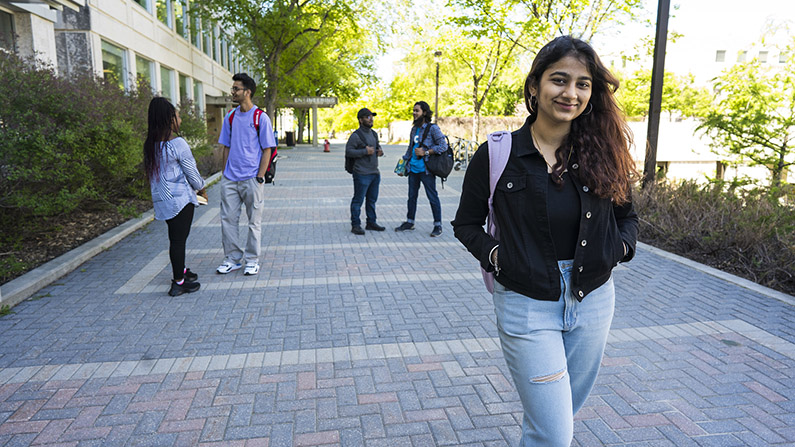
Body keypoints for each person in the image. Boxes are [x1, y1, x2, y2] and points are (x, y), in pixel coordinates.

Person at [452, 36, 639, 446]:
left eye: (583, 84)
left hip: (594, 299)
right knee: (554, 433)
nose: (570, 93)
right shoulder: (499, 154)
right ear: (534, 86)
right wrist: (499, 256)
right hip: (526, 300)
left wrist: (619, 250)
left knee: (554, 419)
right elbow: (466, 224)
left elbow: (627, 215)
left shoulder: (603, 151)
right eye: (559, 80)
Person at [143, 97, 206, 296]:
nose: (180, 119)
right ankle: (178, 282)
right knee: (178, 241)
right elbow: (192, 173)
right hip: (180, 200)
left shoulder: (151, 145)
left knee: (176, 238)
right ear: (169, 119)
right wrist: (201, 188)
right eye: (177, 116)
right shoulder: (177, 144)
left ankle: (182, 270)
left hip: (163, 201)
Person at [216, 73, 277, 276]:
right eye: (233, 88)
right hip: (231, 179)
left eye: (236, 89)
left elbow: (268, 148)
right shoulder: (230, 117)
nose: (232, 92)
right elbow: (225, 146)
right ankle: (232, 258)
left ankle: (252, 259)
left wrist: (260, 176)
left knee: (254, 221)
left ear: (247, 92)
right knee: (228, 220)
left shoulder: (261, 117)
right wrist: (225, 174)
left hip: (252, 178)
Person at [394, 101, 448, 237]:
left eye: (417, 111)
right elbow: (410, 147)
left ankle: (438, 225)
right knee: (411, 197)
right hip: (413, 169)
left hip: (426, 170)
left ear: (424, 112)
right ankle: (409, 222)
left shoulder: (432, 128)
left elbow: (443, 146)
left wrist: (427, 152)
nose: (414, 113)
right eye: (413, 110)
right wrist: (402, 164)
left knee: (432, 197)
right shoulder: (414, 129)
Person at [346, 108, 385, 235]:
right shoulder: (355, 135)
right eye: (368, 117)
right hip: (361, 173)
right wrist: (364, 152)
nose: (371, 119)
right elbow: (349, 152)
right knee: (358, 200)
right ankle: (355, 225)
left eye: (371, 116)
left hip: (374, 172)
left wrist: (380, 151)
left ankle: (371, 222)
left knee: (372, 200)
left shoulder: (374, 134)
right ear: (361, 120)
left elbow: (377, 147)